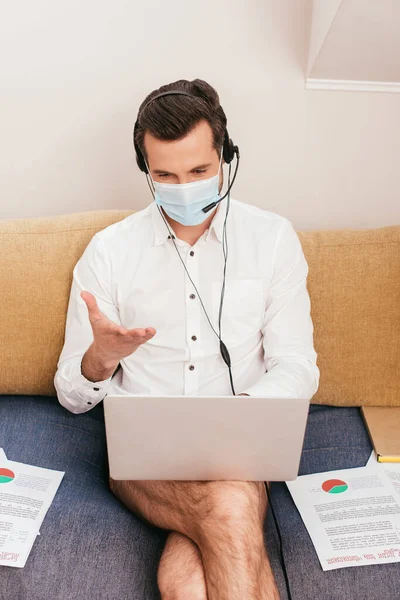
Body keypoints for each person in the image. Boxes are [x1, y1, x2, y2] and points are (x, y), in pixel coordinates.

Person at [54, 78, 320, 600]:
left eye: (200, 171)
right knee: (232, 505)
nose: (185, 186)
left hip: (240, 454)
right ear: (146, 172)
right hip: (143, 465)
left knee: (186, 584)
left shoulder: (272, 239)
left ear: (227, 157)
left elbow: (297, 365)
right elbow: (70, 394)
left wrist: (239, 418)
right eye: (166, 175)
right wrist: (99, 360)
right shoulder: (109, 251)